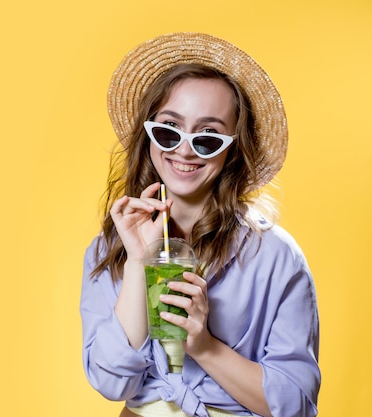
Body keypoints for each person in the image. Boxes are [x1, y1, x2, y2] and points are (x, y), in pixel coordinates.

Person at [80, 33, 320, 417]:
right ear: (150, 136)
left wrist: (204, 346)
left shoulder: (276, 257)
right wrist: (139, 263)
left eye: (208, 137)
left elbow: (296, 404)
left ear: (232, 148)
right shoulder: (110, 249)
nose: (185, 149)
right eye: (169, 129)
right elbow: (111, 383)